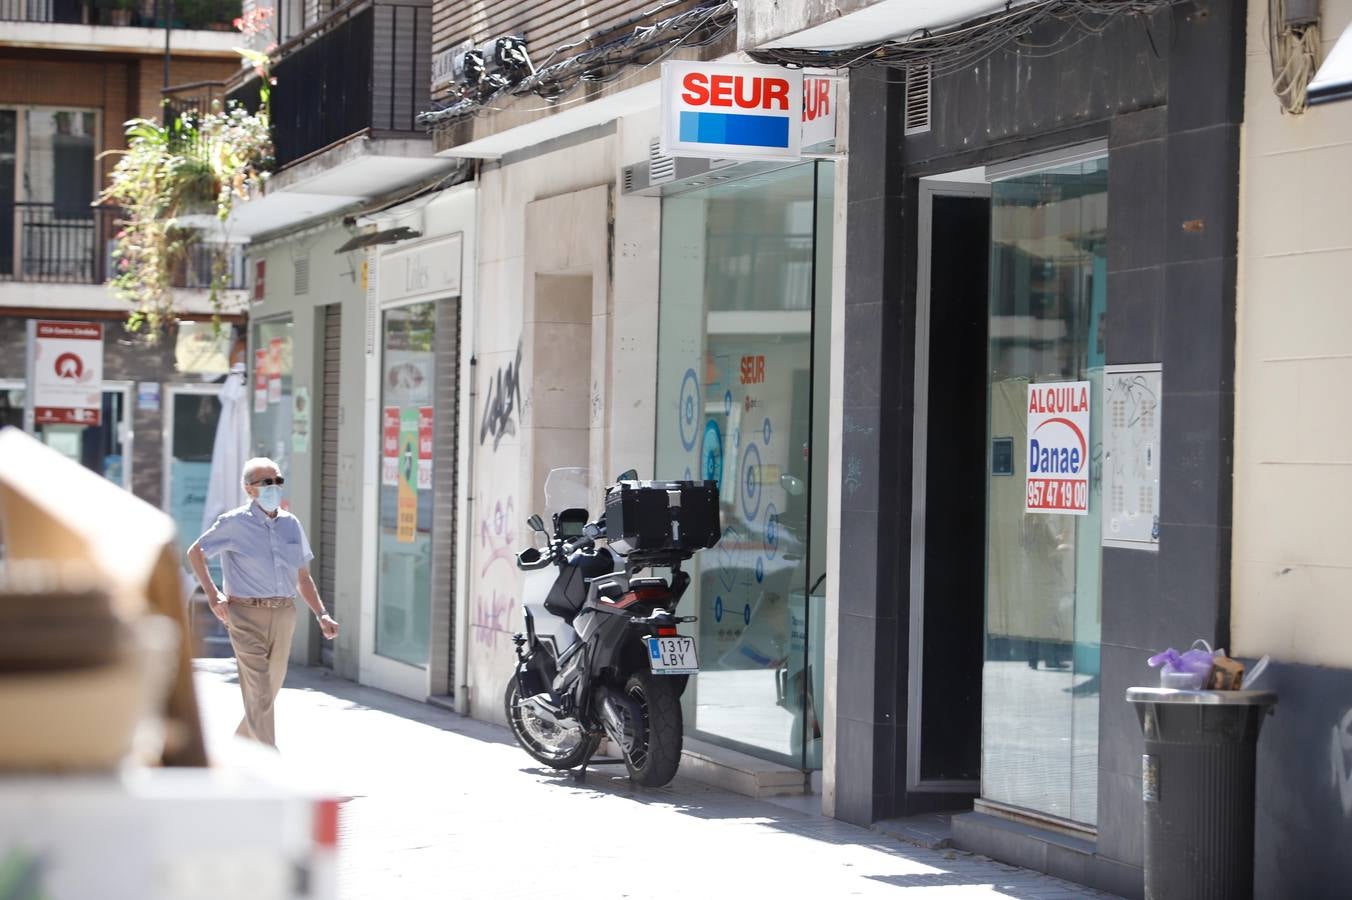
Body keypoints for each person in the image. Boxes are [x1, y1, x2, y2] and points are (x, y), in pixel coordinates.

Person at [186, 457, 339, 747]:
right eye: (266, 482)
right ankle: (270, 763)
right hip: (244, 614)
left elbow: (302, 577)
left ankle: (238, 751)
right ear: (249, 489)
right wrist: (212, 592)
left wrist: (322, 614)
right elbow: (196, 552)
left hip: (284, 614)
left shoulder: (291, 525)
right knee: (260, 692)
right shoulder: (232, 523)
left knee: (268, 690)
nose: (274, 487)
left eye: (278, 481)